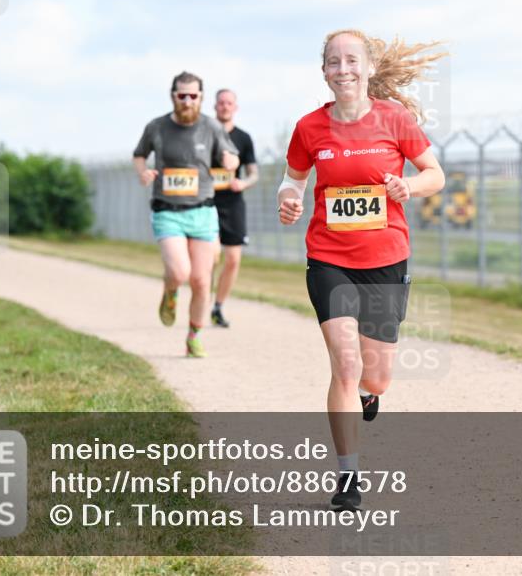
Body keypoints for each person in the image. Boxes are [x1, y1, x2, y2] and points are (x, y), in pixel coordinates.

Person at [278, 29, 446, 511]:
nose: (343, 69)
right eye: (334, 62)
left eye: (352, 60)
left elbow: (434, 174)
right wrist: (289, 201)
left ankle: (371, 397)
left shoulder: (395, 119)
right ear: (324, 71)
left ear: (369, 68)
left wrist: (407, 189)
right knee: (346, 365)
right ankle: (348, 477)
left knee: (376, 377)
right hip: (328, 258)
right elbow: (291, 182)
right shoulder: (310, 127)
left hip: (385, 259)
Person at [133, 71, 240, 357]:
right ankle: (170, 291)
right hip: (167, 211)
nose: (188, 101)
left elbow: (231, 154)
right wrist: (143, 173)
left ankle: (194, 335)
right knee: (180, 272)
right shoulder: (156, 127)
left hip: (202, 212)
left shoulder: (211, 127)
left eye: (194, 96)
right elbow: (139, 154)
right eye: (183, 95)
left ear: (201, 98)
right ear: (173, 96)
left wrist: (231, 159)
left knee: (202, 280)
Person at [209, 88, 259, 328]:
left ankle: (218, 306)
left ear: (235, 107)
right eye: (221, 103)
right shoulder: (204, 134)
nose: (225, 106)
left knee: (233, 259)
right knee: (211, 256)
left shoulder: (243, 138)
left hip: (233, 203)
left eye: (229, 103)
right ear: (215, 106)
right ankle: (202, 299)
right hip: (206, 202)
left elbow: (253, 173)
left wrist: (244, 182)